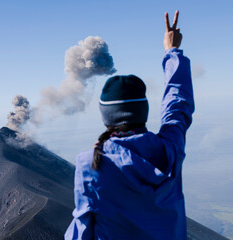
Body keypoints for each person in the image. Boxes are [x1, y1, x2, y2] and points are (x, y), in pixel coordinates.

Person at [65, 10, 194, 240]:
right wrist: (172, 52)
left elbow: (81, 233)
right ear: (143, 111)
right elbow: (178, 106)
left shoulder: (89, 165)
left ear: (106, 117)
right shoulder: (169, 149)